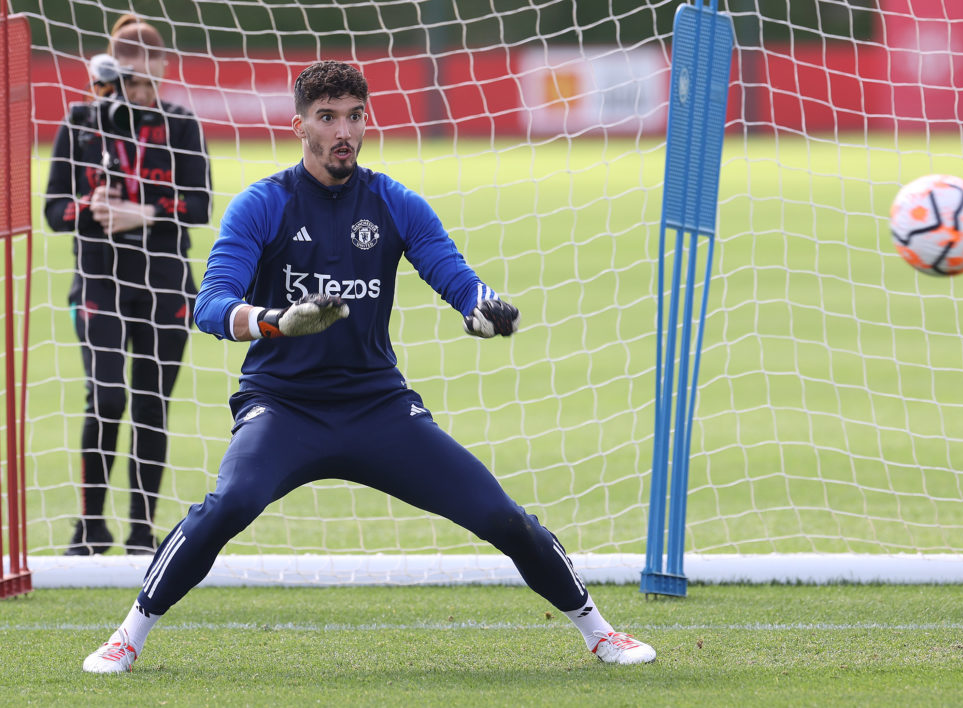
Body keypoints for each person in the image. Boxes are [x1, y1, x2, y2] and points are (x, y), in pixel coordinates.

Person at [81, 60, 655, 673]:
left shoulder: (392, 201)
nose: (343, 131)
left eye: (354, 116)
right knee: (228, 505)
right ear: (299, 124)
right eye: (327, 117)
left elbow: (451, 271)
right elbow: (210, 303)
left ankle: (600, 633)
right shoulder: (263, 204)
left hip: (378, 407)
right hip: (282, 406)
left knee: (499, 514)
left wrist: (481, 305)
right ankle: (128, 635)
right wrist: (276, 319)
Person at [44, 15, 212, 556]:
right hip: (98, 279)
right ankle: (89, 527)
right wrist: (90, 210)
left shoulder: (182, 124)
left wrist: (143, 211)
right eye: (131, 79)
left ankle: (142, 531)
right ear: (112, 75)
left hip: (166, 282)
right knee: (108, 394)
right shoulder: (81, 121)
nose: (142, 88)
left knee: (152, 404)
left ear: (161, 72)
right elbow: (53, 209)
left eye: (150, 77)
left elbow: (200, 205)